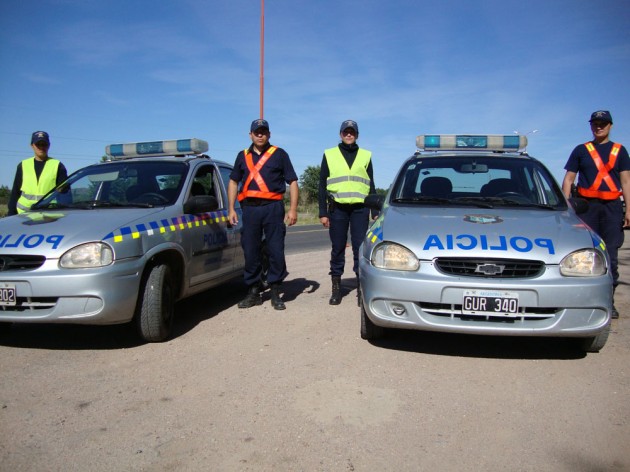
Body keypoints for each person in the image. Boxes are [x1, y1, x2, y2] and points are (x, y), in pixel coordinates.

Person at [562, 110, 630, 319]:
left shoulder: (620, 151)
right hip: (586, 207)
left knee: (610, 254)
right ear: (591, 126)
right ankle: (580, 301)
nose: (598, 127)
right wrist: (565, 208)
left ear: (610, 125)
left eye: (603, 123)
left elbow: (626, 181)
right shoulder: (581, 150)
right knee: (583, 253)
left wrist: (629, 209)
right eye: (595, 124)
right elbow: (568, 180)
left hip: (611, 208)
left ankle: (608, 302)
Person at [228, 119, 299, 310]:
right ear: (250, 134)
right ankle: (253, 291)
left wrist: (293, 209)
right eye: (256, 132)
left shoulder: (279, 154)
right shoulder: (242, 156)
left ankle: (275, 291)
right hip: (249, 210)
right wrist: (231, 208)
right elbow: (233, 182)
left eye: (263, 132)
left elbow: (292, 182)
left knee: (275, 249)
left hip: (273, 208)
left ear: (269, 134)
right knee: (250, 250)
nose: (260, 135)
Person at [319, 120, 376, 305]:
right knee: (338, 248)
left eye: (352, 132)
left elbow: (371, 184)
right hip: (338, 209)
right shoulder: (329, 154)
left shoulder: (366, 155)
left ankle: (360, 288)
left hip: (360, 209)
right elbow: (321, 186)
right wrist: (323, 212)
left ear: (357, 135)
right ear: (340, 134)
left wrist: (374, 209)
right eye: (346, 132)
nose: (349, 134)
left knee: (360, 248)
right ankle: (336, 287)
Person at [8, 131, 68, 215]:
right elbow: (15, 193)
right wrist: (11, 214)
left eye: (44, 144)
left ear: (49, 145)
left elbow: (65, 194)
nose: (41, 147)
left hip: (49, 216)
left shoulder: (57, 166)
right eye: (38, 144)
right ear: (32, 146)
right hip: (24, 215)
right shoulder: (23, 165)